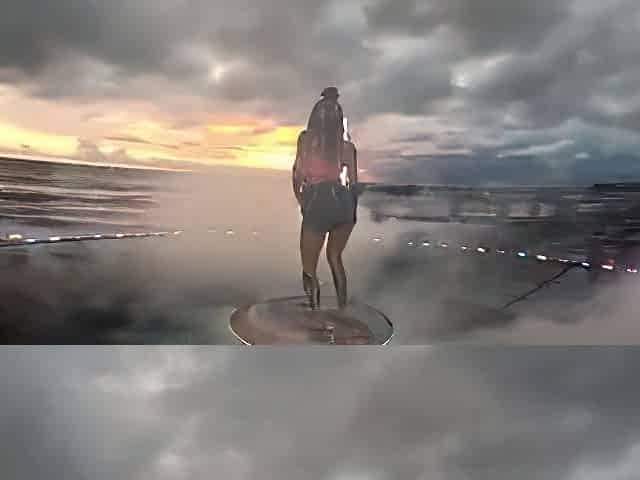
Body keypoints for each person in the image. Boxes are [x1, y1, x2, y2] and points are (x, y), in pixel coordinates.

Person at [292, 87, 359, 311]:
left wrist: (303, 202)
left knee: (309, 266)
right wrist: (351, 212)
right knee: (335, 257)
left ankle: (313, 308)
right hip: (344, 202)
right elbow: (354, 184)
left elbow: (297, 175)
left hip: (317, 199)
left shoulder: (306, 140)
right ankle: (343, 308)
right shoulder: (347, 147)